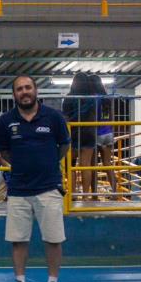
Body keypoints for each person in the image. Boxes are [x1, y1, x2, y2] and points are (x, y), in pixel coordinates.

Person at [0, 75, 70, 282]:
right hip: (18, 189)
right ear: (14, 94)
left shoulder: (54, 117)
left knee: (53, 238)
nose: (24, 92)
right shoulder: (6, 121)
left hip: (48, 188)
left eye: (28, 87)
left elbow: (64, 145)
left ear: (35, 90)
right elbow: (5, 152)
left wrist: (46, 164)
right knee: (18, 239)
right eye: (19, 89)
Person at [61, 72, 97, 200]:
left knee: (71, 165)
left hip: (74, 133)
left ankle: (73, 193)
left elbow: (65, 117)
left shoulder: (69, 97)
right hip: (89, 133)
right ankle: (86, 195)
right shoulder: (92, 98)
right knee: (86, 164)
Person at [91, 74, 117, 195]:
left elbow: (92, 117)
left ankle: (94, 194)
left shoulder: (92, 98)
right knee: (108, 164)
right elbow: (111, 117)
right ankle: (115, 193)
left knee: (93, 166)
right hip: (109, 133)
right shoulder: (107, 98)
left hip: (97, 133)